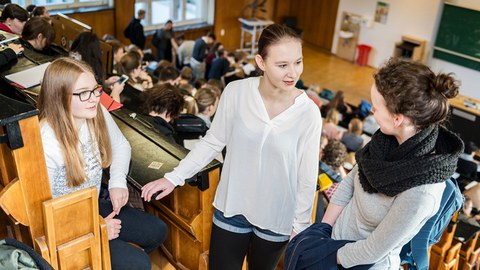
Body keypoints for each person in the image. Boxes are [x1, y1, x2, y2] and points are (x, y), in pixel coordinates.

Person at [141, 24, 321, 270]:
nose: (293, 73)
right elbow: (213, 142)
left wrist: (300, 226)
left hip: (276, 216)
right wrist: (174, 178)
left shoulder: (309, 112)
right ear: (261, 61)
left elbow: (307, 175)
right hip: (232, 206)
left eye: (298, 62)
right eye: (282, 65)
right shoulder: (236, 92)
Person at [321, 58, 463, 269]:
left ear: (397, 119)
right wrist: (322, 232)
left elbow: (372, 250)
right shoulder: (383, 141)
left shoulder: (422, 191)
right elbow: (349, 183)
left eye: (376, 107)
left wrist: (323, 255)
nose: (371, 111)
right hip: (332, 246)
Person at [37, 57, 167, 269]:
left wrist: (117, 182)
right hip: (65, 222)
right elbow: (45, 214)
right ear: (60, 96)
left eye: (96, 89)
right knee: (138, 263)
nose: (95, 99)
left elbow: (121, 145)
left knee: (158, 231)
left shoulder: (96, 112)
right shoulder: (47, 141)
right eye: (83, 93)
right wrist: (98, 228)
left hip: (93, 203)